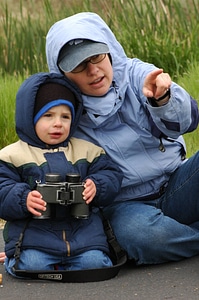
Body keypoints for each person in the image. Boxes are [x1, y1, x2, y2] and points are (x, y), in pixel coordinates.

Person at [45, 12, 199, 265]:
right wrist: (29, 242)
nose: (93, 71)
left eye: (96, 56)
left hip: (177, 183)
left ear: (109, 50)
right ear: (62, 73)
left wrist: (162, 100)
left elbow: (188, 121)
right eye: (79, 65)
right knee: (141, 236)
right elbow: (37, 166)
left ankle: (177, 234)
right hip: (125, 207)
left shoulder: (138, 74)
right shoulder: (59, 110)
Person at [0, 72, 123, 277]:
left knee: (97, 263)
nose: (58, 123)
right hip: (35, 236)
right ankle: (17, 261)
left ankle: (64, 266)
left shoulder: (87, 151)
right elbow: (2, 188)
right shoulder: (13, 155)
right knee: (30, 265)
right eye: (48, 115)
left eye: (65, 117)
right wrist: (24, 198)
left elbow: (112, 175)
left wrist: (97, 185)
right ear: (29, 118)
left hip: (83, 234)